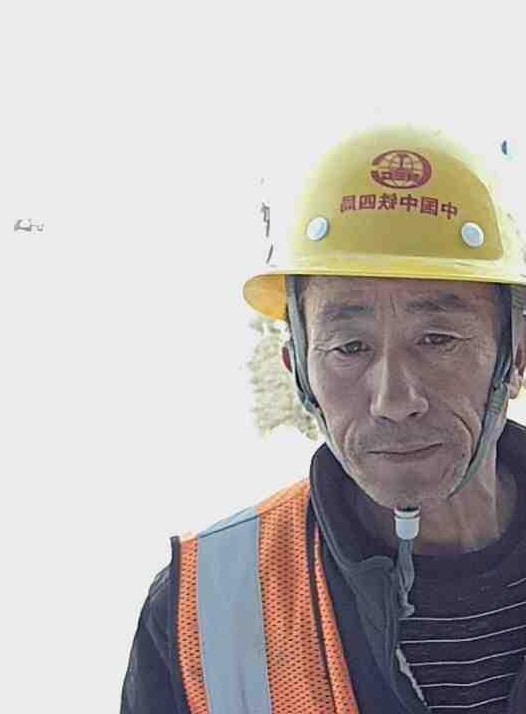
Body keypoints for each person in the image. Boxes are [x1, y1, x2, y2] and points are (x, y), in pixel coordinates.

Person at [121, 125, 526, 714]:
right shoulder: (204, 613)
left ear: (515, 357)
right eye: (349, 348)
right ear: (298, 370)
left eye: (437, 339)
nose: (394, 399)